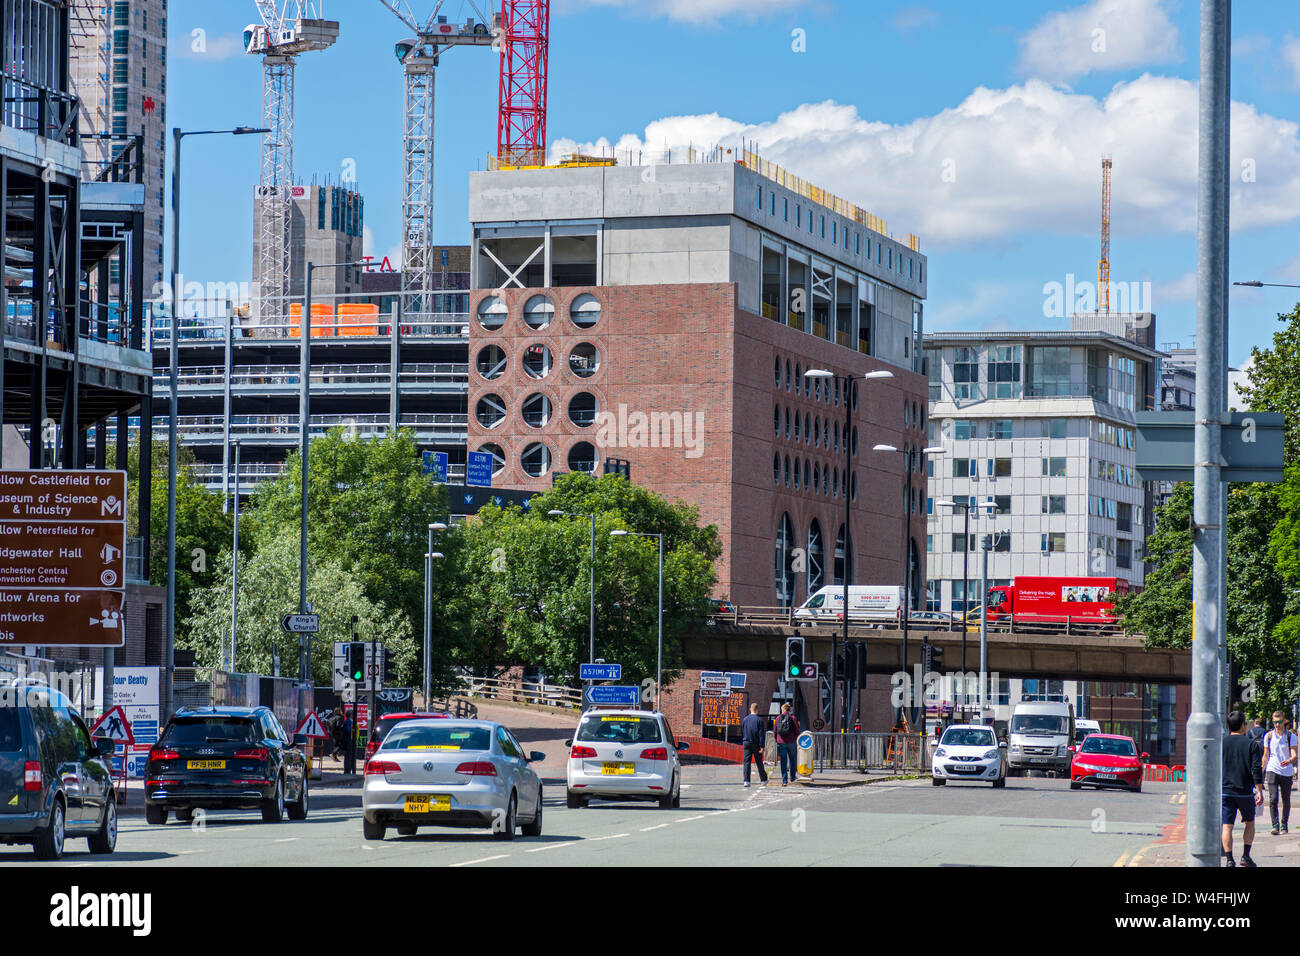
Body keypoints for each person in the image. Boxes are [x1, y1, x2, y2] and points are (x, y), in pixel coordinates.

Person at [1222, 710, 1265, 867]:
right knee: (1250, 822)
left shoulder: (1221, 743)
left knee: (1227, 825)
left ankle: (1229, 860)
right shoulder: (1251, 744)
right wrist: (1259, 790)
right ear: (1242, 725)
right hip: (1244, 792)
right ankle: (1245, 856)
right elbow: (1256, 768)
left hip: (1225, 790)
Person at [1262, 710, 1297, 836]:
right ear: (1273, 722)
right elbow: (1265, 755)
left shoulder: (1290, 736)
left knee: (1286, 799)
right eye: (1275, 722)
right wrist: (1261, 769)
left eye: (1280, 722)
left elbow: (1294, 754)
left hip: (1286, 772)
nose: (1277, 724)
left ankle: (1284, 823)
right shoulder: (1268, 736)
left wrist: (1289, 760)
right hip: (1272, 769)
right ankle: (1275, 824)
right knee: (1273, 798)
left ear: (1284, 721)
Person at [740, 702, 769, 788]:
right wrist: (762, 746)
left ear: (750, 709)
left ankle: (746, 781)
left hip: (746, 742)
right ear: (757, 710)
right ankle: (763, 780)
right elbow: (761, 734)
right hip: (755, 743)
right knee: (759, 762)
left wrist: (743, 740)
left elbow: (742, 730)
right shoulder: (759, 720)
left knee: (746, 762)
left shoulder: (745, 719)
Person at [773, 703, 800, 786]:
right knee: (792, 760)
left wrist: (777, 739)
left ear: (783, 709)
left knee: (783, 761)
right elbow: (797, 730)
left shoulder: (778, 718)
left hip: (781, 742)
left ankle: (784, 780)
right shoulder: (793, 718)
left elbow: (775, 730)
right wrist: (794, 737)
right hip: (791, 742)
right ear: (789, 710)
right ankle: (792, 777)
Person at [342, 708, 357, 775]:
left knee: (350, 755)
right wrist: (353, 730)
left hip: (350, 741)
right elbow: (348, 731)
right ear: (350, 715)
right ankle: (347, 770)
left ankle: (349, 768)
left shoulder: (350, 721)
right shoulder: (348, 722)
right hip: (348, 741)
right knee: (348, 755)